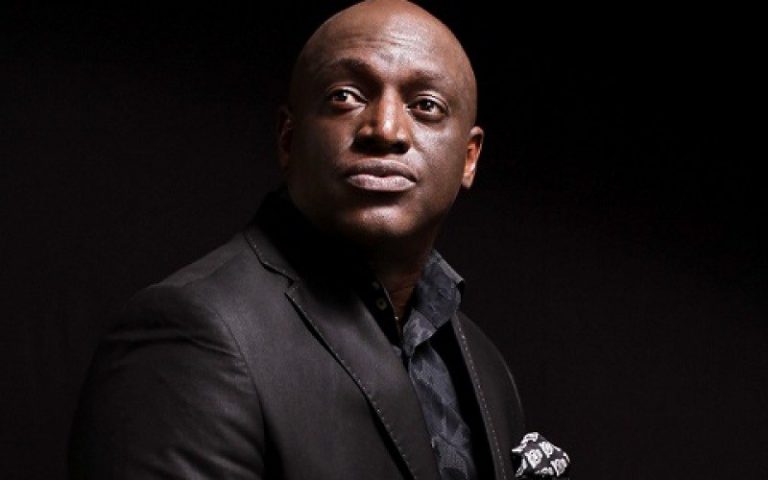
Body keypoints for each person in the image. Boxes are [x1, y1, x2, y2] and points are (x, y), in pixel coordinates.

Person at [68, 1, 527, 478]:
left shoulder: (485, 368)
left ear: (469, 158)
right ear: (288, 139)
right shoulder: (190, 336)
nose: (386, 130)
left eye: (425, 106)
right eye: (346, 96)